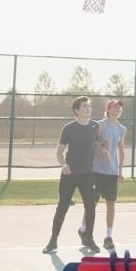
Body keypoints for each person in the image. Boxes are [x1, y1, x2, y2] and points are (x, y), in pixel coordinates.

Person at [42, 96, 107, 255]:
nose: (88, 108)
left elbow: (96, 145)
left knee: (90, 207)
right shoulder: (69, 128)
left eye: (89, 106)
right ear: (77, 111)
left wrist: (104, 151)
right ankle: (53, 241)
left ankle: (88, 238)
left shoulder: (96, 126)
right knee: (62, 207)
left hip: (88, 174)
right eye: (84, 106)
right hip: (70, 174)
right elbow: (59, 152)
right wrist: (63, 165)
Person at [80, 98, 125, 251]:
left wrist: (120, 170)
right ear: (108, 109)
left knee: (111, 204)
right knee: (92, 204)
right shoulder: (100, 125)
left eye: (120, 108)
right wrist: (101, 147)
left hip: (111, 172)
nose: (118, 109)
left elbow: (121, 150)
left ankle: (108, 236)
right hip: (97, 171)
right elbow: (91, 143)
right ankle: (84, 229)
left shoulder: (122, 129)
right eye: (115, 107)